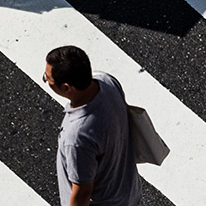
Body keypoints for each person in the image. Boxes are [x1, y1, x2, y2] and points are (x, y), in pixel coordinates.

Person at [44, 46, 141, 206]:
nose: (46, 81)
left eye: (48, 79)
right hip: (128, 193)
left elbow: (82, 192)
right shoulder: (108, 82)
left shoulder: (77, 136)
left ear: (66, 88)